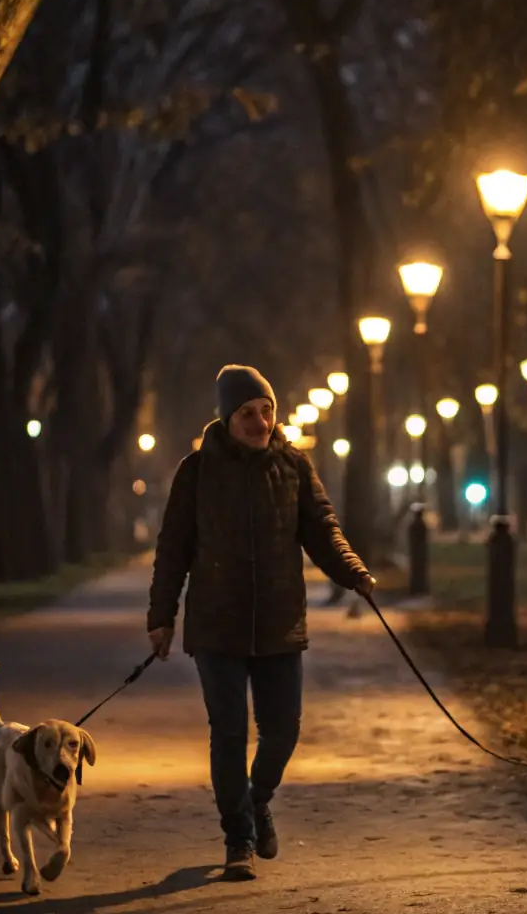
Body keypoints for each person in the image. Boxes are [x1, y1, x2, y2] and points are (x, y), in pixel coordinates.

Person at [147, 364, 374, 881]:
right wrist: (162, 618)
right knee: (228, 733)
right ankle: (238, 840)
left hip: (278, 622)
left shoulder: (293, 466)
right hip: (217, 626)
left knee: (283, 731)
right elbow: (173, 549)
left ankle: (257, 799)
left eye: (267, 409)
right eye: (248, 412)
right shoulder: (196, 471)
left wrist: (353, 573)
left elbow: (322, 529)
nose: (260, 421)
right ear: (227, 418)